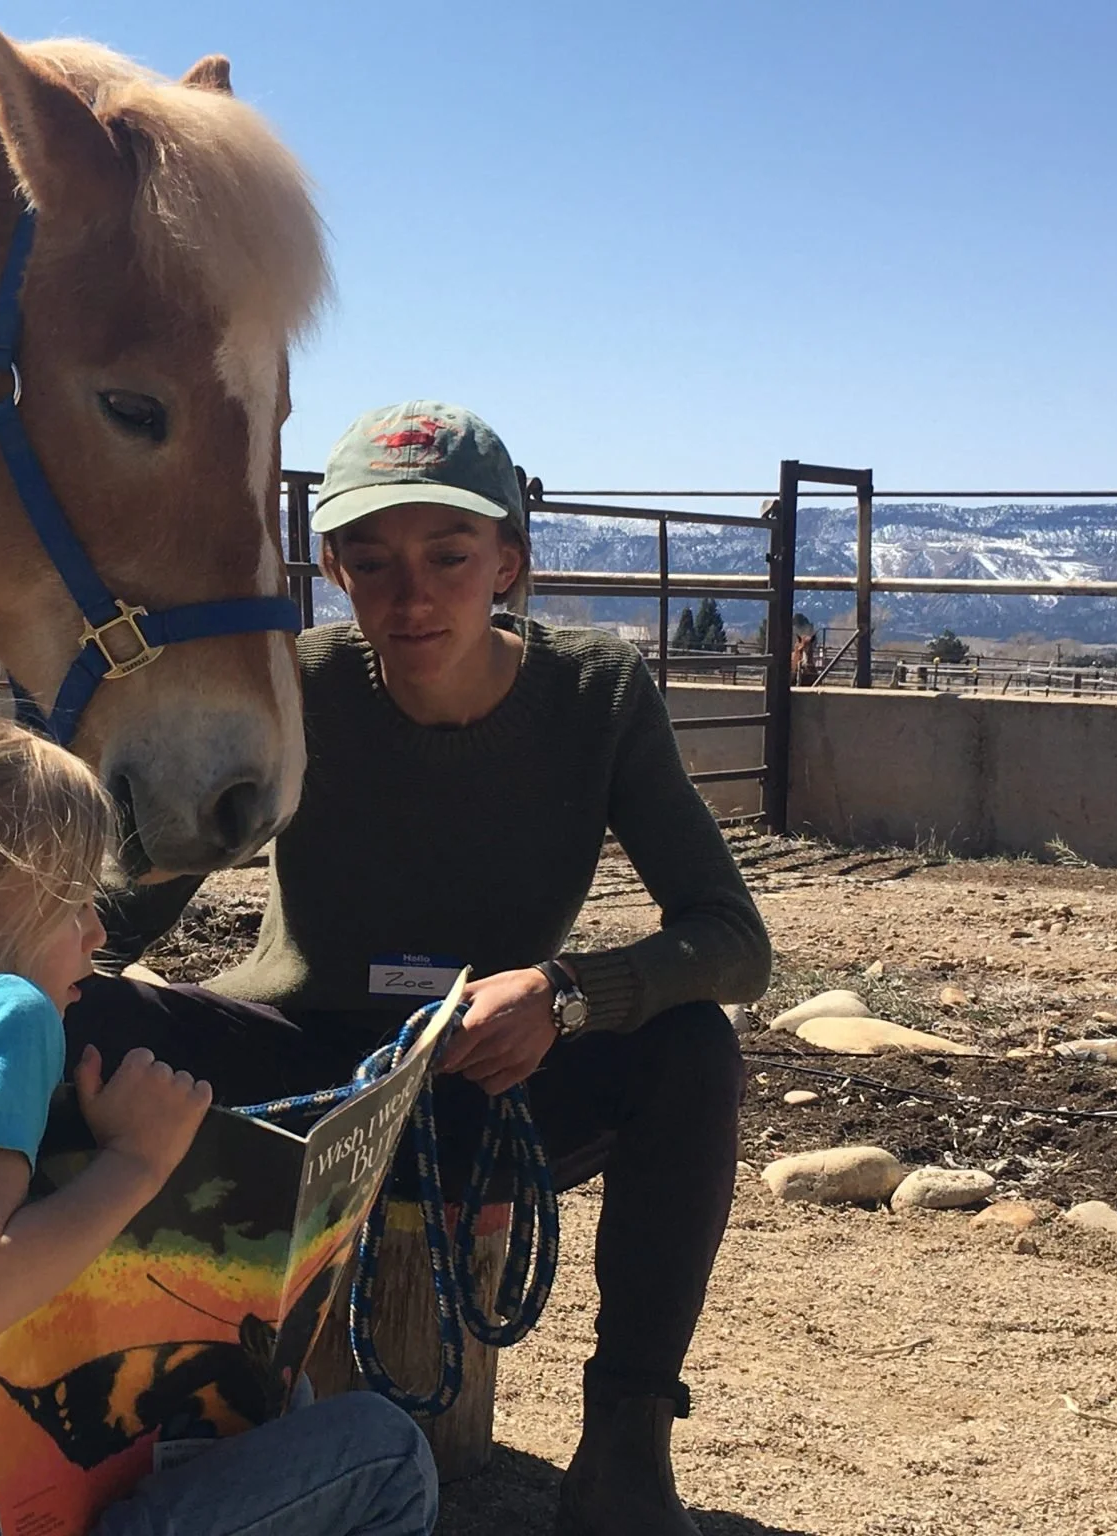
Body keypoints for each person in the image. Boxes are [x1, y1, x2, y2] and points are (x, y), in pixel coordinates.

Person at [73, 403, 772, 1536]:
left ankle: (627, 1443)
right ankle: (65, 1394)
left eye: (448, 556)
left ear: (506, 560)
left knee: (691, 1047)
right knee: (57, 1014)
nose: (410, 596)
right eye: (372, 559)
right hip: (302, 1074)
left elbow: (729, 938)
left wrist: (566, 992)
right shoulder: (296, 682)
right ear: (332, 567)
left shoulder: (596, 694)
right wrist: (15, 963)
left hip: (486, 1073)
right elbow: (129, 911)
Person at [0, 707, 439, 1536]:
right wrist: (138, 1161)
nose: (98, 934)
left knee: (281, 1404)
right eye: (71, 907)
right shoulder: (5, 1012)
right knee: (384, 1452)